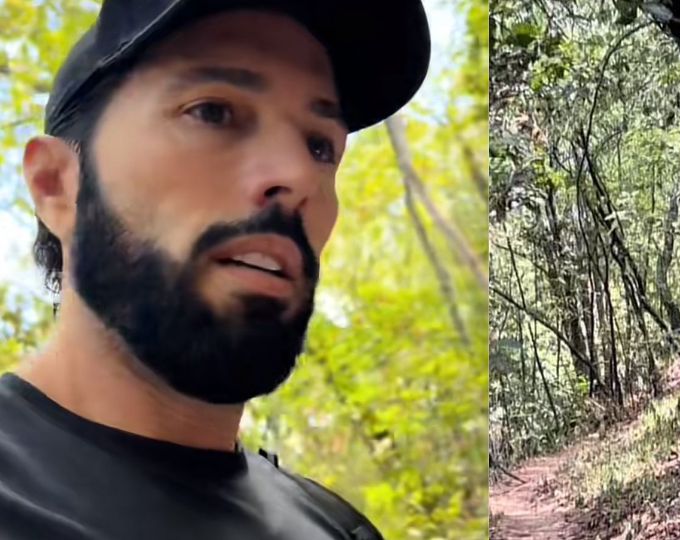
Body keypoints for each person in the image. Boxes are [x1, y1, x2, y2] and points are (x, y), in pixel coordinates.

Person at [0, 1, 430, 538]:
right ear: (55, 184)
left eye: (320, 146)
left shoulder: (338, 527)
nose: (298, 174)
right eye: (213, 112)